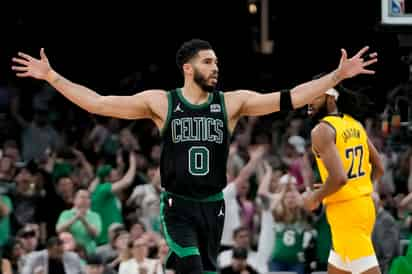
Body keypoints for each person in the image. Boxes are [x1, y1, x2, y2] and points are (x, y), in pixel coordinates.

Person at [12, 39, 377, 274]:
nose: (215, 67)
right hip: (178, 207)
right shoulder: (162, 102)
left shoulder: (232, 103)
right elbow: (99, 102)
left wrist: (336, 75)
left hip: (213, 207)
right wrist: (52, 77)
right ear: (188, 68)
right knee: (192, 269)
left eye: (216, 61)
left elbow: (292, 96)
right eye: (207, 62)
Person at [302, 84, 385, 273]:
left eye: (315, 96)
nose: (308, 101)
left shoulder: (321, 130)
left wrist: (315, 197)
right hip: (362, 207)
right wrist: (358, 189)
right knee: (338, 265)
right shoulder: (354, 124)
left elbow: (339, 178)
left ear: (331, 99)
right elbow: (379, 166)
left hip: (346, 213)